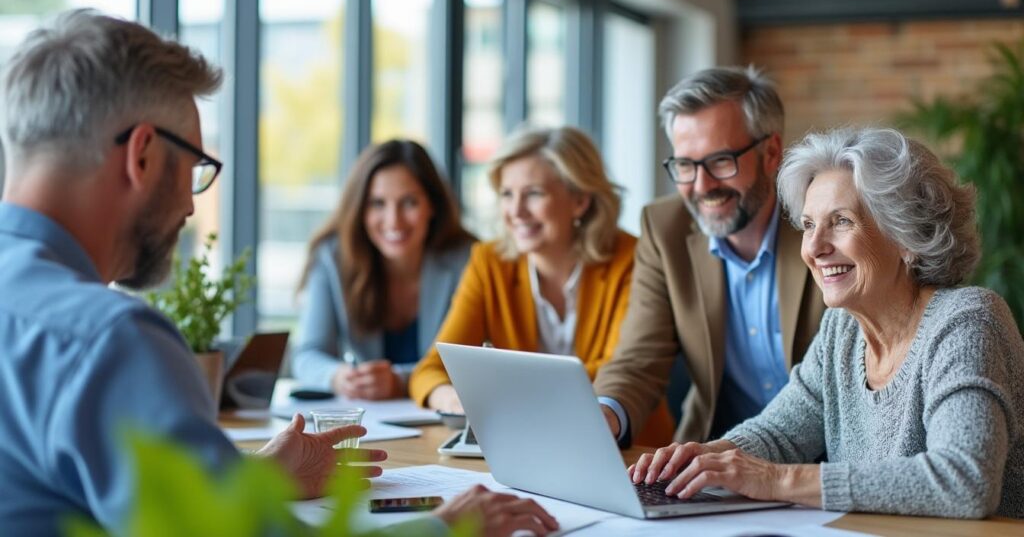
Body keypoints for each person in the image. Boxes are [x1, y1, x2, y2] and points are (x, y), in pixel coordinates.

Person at [0, 9, 556, 537]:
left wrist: (255, 480)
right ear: (142, 155)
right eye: (196, 169)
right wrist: (446, 526)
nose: (192, 208)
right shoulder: (110, 341)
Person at [630, 127, 1024, 519]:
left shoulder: (968, 321)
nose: (815, 248)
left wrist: (776, 481)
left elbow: (966, 482)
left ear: (908, 237)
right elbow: (779, 434)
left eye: (841, 221)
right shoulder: (842, 329)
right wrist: (703, 459)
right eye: (808, 225)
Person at [594, 66, 826, 446]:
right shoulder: (664, 228)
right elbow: (639, 360)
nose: (702, 187)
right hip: (711, 458)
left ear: (771, 153)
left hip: (823, 461)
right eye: (685, 165)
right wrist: (604, 416)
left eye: (720, 161)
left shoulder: (821, 225)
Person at [409, 126, 674, 446]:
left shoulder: (632, 259)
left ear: (579, 200)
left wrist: (496, 394)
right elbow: (431, 370)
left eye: (533, 193)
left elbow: (621, 369)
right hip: (524, 446)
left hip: (629, 452)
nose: (516, 212)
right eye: (507, 194)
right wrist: (456, 400)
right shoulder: (489, 262)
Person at [292, 140, 474, 400]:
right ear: (360, 209)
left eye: (409, 202)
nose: (393, 220)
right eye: (378, 203)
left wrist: (400, 381)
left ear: (432, 205)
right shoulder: (332, 257)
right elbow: (307, 355)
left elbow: (473, 362)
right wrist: (339, 377)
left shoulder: (468, 261)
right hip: (370, 423)